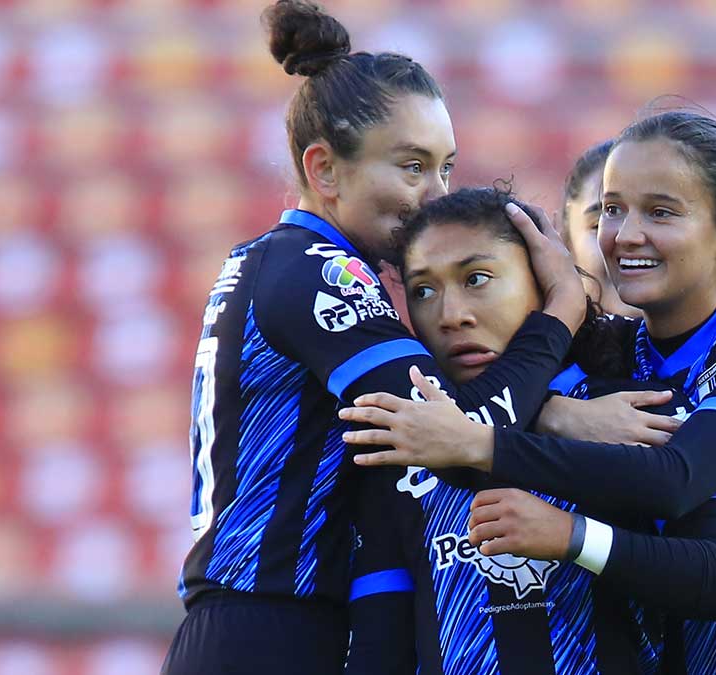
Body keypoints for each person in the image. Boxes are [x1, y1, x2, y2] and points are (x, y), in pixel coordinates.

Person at [342, 111, 716, 675]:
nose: (626, 234)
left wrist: (483, 445)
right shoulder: (612, 356)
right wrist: (554, 413)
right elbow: (519, 376)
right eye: (612, 210)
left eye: (660, 212)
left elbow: (675, 481)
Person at [161, 3, 589, 673]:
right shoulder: (320, 272)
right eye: (413, 166)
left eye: (446, 167)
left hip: (258, 626)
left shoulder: (276, 259)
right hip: (272, 631)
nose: (436, 195)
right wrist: (562, 313)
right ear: (325, 170)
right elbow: (459, 435)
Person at [344, 187, 716, 675]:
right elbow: (379, 639)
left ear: (542, 283)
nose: (451, 315)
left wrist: (574, 537)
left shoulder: (629, 410)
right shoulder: (401, 437)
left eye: (477, 278)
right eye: (423, 291)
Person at [561, 140, 639, 317]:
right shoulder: (539, 342)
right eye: (600, 224)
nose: (629, 237)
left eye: (659, 214)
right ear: (566, 243)